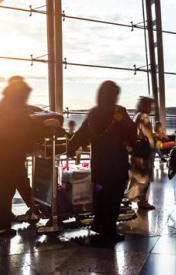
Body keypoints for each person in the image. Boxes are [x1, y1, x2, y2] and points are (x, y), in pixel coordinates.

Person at [0, 79, 59, 242]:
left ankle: (3, 227)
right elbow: (20, 129)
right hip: (8, 159)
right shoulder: (12, 109)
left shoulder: (4, 105)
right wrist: (45, 124)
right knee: (4, 195)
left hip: (3, 158)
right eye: (25, 96)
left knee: (7, 192)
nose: (26, 99)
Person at [67, 81, 136, 242]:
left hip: (99, 164)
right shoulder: (119, 112)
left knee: (101, 195)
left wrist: (70, 149)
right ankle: (109, 230)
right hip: (116, 164)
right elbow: (132, 132)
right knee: (114, 198)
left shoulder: (94, 113)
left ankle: (98, 223)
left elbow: (81, 134)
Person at [126, 96, 156, 210]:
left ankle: (134, 199)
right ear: (144, 105)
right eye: (149, 105)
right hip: (143, 152)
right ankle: (143, 201)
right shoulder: (144, 116)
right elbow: (148, 136)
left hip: (135, 151)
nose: (151, 108)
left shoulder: (136, 115)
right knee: (144, 176)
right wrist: (152, 146)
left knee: (136, 177)